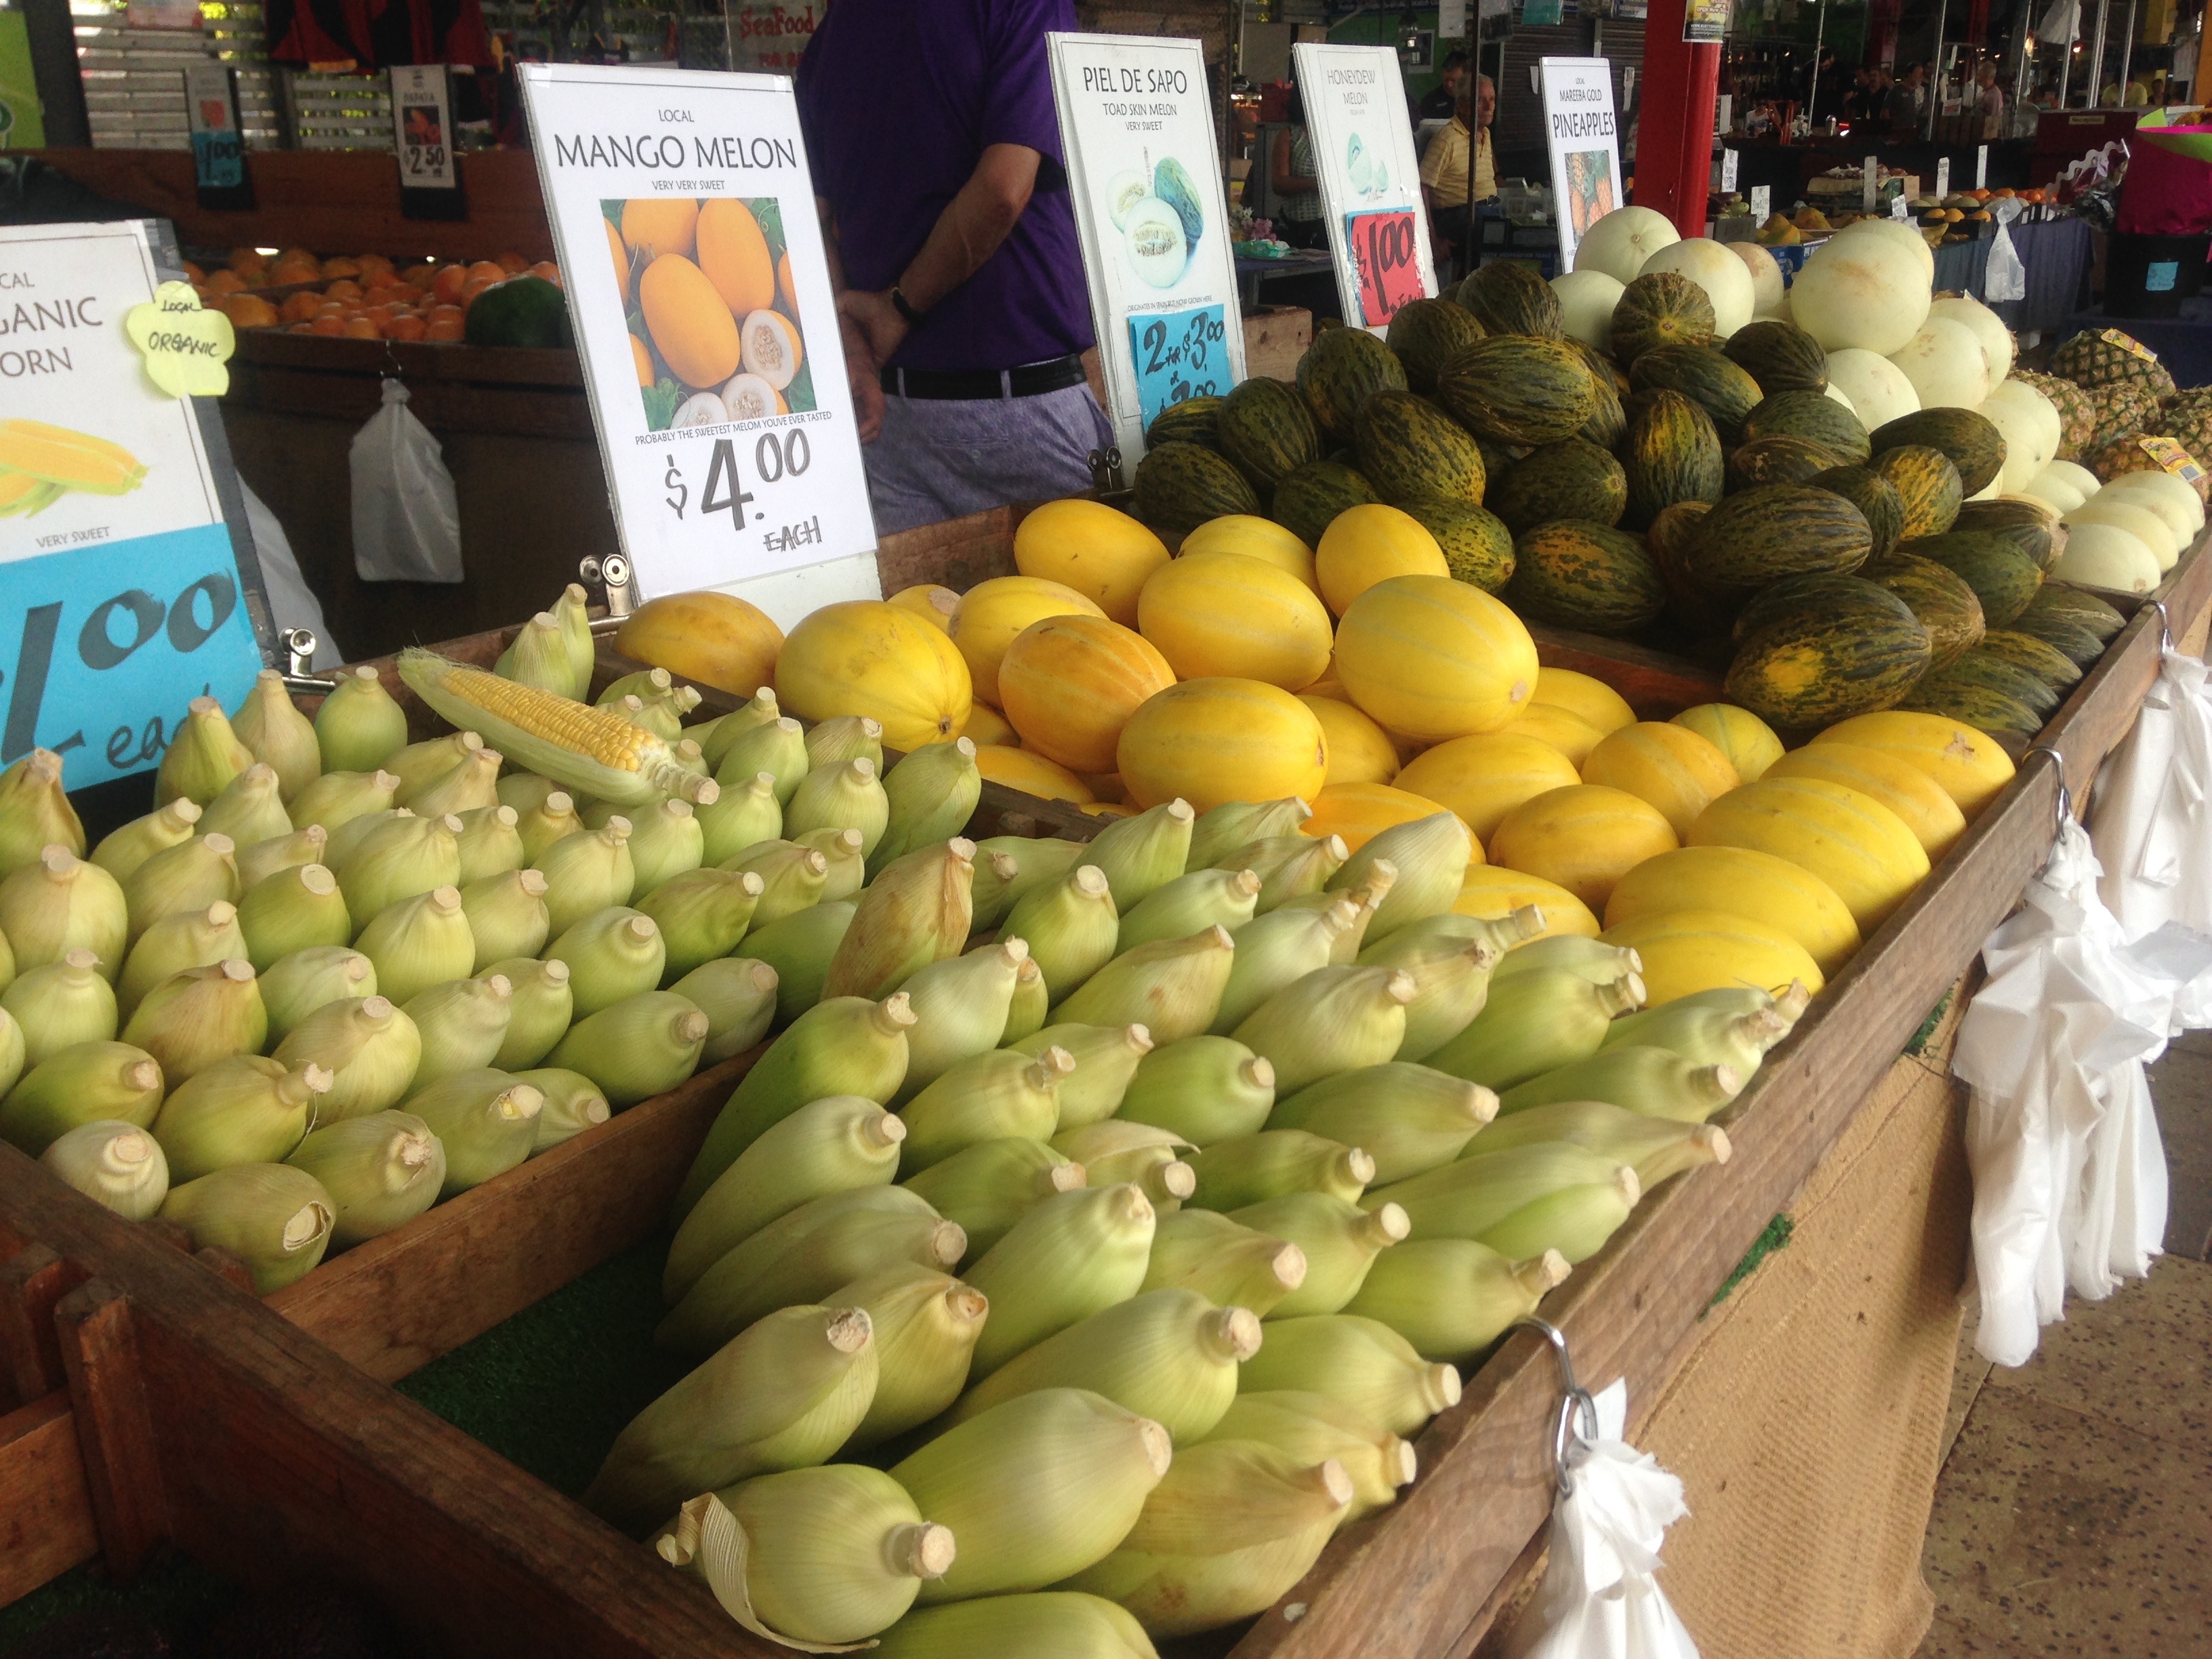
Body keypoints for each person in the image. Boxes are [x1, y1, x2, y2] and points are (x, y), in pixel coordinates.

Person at [795, 0, 1111, 537]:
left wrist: (854, 345)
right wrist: (899, 308)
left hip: (891, 415)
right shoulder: (1024, 6)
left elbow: (809, 217)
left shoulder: (835, 33)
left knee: (919, 618)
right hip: (1021, 407)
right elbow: (1003, 190)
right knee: (1080, 615)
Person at [1420, 75, 1496, 271]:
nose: (1489, 107)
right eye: (1480, 100)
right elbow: (1422, 189)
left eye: (1492, 99)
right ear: (1462, 105)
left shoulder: (1485, 135)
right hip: (1457, 219)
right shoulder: (1447, 140)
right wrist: (1432, 240)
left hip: (1486, 213)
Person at [1269, 86, 1327, 250]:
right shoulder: (1290, 135)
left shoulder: (1333, 133)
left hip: (1330, 227)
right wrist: (1314, 183)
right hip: (1297, 228)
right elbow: (1278, 184)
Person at [1419, 51, 1469, 121]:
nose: (1449, 85)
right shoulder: (1430, 101)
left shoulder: (1475, 99)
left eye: (1453, 81)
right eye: (1446, 80)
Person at [1976, 61, 2005, 138]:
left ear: (1987, 76)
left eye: (1980, 75)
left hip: (1987, 136)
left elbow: (1992, 120)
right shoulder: (1984, 91)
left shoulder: (1994, 95)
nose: (1977, 78)